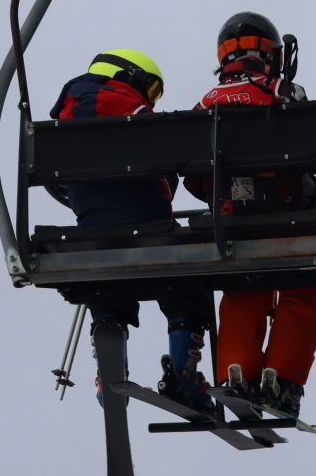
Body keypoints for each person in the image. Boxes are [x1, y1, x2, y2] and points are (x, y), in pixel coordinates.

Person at [52, 49, 214, 413]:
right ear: (127, 76)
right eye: (150, 88)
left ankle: (109, 362)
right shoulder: (124, 107)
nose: (150, 99)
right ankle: (183, 371)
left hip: (94, 232)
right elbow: (168, 155)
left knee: (107, 290)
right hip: (149, 228)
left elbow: (59, 183)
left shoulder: (65, 117)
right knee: (187, 282)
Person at [183, 12, 316, 417]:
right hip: (285, 217)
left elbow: (191, 173)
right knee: (303, 288)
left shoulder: (206, 102)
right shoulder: (281, 90)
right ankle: (283, 378)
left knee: (243, 291)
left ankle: (237, 372)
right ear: (272, 54)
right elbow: (314, 154)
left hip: (232, 224)